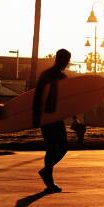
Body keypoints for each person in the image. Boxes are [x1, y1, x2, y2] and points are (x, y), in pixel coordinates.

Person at [33, 49, 71, 192]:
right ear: (58, 59)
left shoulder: (63, 77)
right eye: (64, 61)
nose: (66, 64)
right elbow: (38, 96)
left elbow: (68, 99)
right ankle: (49, 179)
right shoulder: (46, 75)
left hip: (57, 116)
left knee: (63, 148)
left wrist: (73, 117)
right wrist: (36, 116)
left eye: (67, 61)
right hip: (46, 117)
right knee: (51, 148)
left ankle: (46, 171)